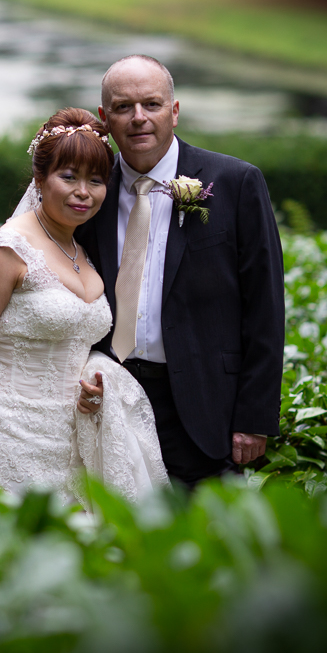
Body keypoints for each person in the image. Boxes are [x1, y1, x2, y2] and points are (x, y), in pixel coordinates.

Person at [0, 108, 168, 501]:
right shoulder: (10, 248)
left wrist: (94, 379)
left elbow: (78, 340)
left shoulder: (81, 250)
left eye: (95, 180)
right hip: (2, 431)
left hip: (70, 439)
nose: (83, 192)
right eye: (68, 177)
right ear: (40, 179)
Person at [74, 55, 285, 487]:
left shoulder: (236, 182)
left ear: (174, 110)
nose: (138, 119)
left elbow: (265, 307)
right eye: (122, 107)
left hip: (208, 406)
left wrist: (254, 417)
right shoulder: (87, 193)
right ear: (104, 118)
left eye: (151, 104)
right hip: (111, 399)